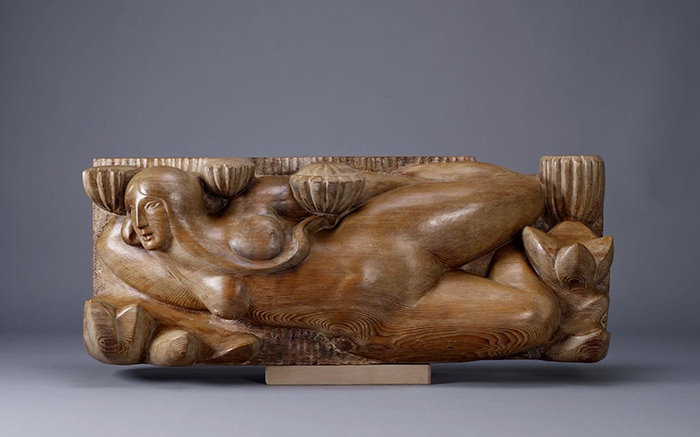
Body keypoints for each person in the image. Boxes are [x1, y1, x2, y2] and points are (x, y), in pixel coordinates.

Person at [96, 161, 560, 362]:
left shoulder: (247, 203)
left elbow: (311, 191)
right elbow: (111, 245)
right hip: (376, 315)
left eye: (151, 206)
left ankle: (520, 243)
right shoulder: (171, 272)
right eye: (136, 213)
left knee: (524, 193)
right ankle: (518, 253)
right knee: (538, 319)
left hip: (383, 236)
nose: (140, 223)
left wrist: (357, 183)